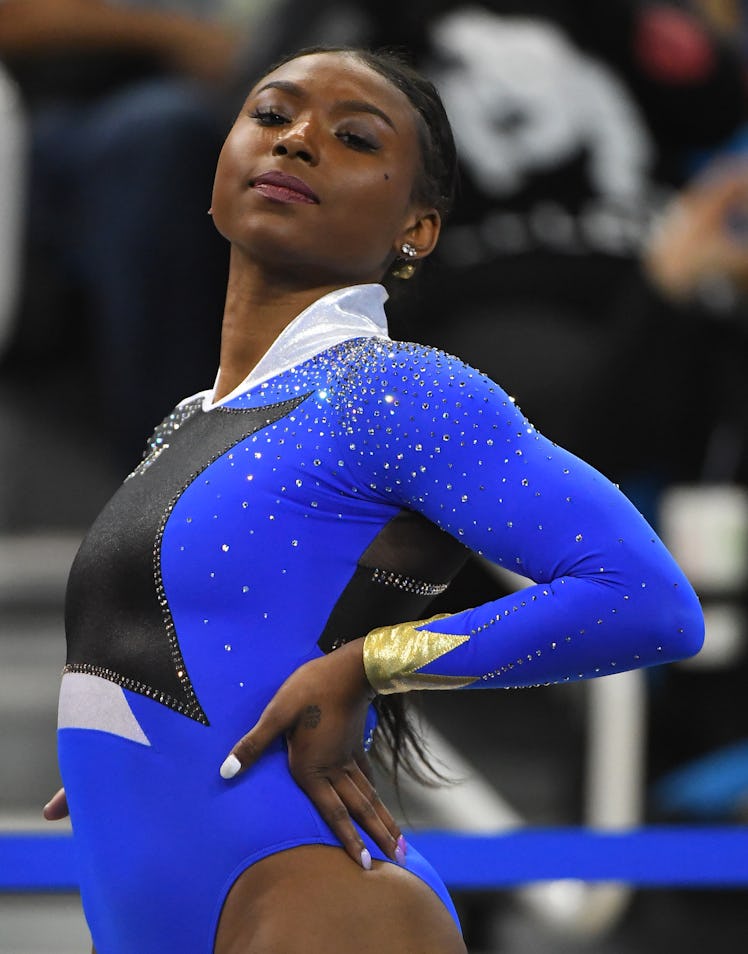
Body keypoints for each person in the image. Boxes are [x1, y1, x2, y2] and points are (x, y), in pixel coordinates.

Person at [45, 46, 704, 954]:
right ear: (220, 168)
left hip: (322, 904)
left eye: (353, 137)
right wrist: (129, 757)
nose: (298, 140)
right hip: (158, 897)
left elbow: (649, 601)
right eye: (270, 117)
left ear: (418, 230)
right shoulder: (188, 422)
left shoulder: (398, 395)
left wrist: (369, 665)